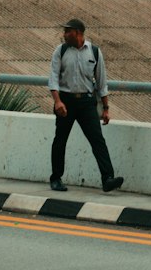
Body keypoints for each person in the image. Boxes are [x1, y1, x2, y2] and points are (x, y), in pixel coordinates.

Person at [47, 16, 123, 193]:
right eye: (65, 31)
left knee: (97, 140)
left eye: (68, 31)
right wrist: (57, 101)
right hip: (65, 101)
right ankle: (56, 178)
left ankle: (108, 178)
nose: (64, 34)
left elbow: (101, 82)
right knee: (60, 140)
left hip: (87, 103)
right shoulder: (61, 51)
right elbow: (53, 78)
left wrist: (105, 109)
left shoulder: (94, 52)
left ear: (78, 33)